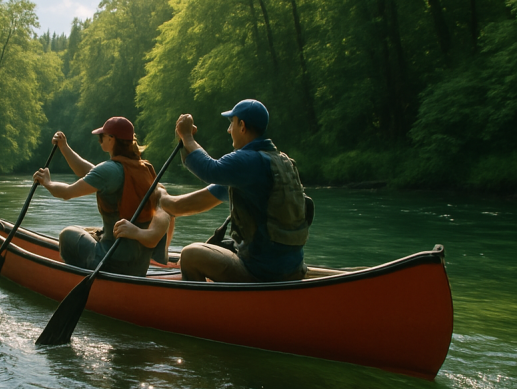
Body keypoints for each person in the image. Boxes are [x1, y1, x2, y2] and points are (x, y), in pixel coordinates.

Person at [159, 99, 312, 282]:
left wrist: (187, 136)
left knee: (190, 255)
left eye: (231, 123)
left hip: (261, 271)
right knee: (218, 247)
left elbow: (210, 170)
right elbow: (185, 205)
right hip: (293, 268)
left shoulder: (247, 161)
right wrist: (162, 198)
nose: (228, 130)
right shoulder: (279, 162)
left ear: (242, 126)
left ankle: (202, 308)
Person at [33, 117, 172, 276]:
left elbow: (66, 193)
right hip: (139, 266)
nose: (99, 140)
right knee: (92, 231)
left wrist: (47, 183)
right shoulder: (144, 168)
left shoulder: (110, 170)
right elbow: (91, 173)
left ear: (111, 139)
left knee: (67, 234)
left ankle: (78, 277)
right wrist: (64, 148)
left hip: (111, 262)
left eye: (102, 136)